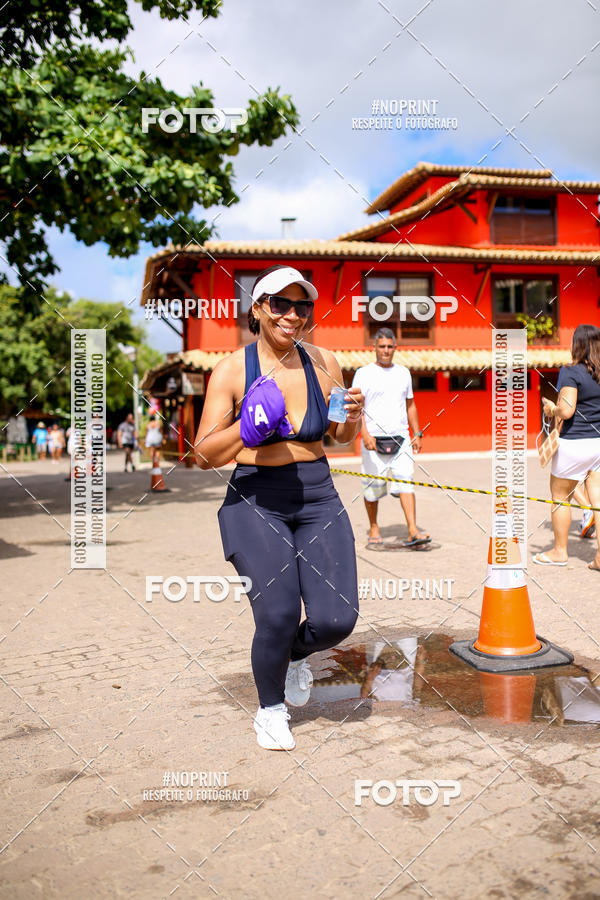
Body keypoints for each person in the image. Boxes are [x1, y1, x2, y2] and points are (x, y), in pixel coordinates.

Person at [194, 264, 365, 751]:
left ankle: (290, 656)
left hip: (317, 494)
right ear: (258, 308)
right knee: (278, 613)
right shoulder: (232, 369)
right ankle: (270, 710)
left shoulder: (325, 361)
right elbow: (203, 455)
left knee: (338, 619)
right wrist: (244, 432)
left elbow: (341, 437)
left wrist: (350, 417)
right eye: (281, 304)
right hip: (255, 498)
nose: (292, 315)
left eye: (302, 306)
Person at [352, 327, 430, 550]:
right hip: (373, 439)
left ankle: (413, 530)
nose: (386, 351)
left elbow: (410, 404)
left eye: (389, 347)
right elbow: (357, 406)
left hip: (401, 437)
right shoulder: (363, 373)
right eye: (382, 347)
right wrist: (364, 433)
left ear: (395, 348)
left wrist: (417, 433)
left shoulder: (403, 373)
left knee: (407, 482)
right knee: (373, 486)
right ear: (374, 348)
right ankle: (374, 527)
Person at [533, 324, 600, 570]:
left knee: (560, 497)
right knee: (598, 501)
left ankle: (560, 552)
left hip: (575, 443)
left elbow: (568, 409)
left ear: (577, 345)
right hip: (598, 443)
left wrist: (552, 409)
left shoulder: (571, 372)